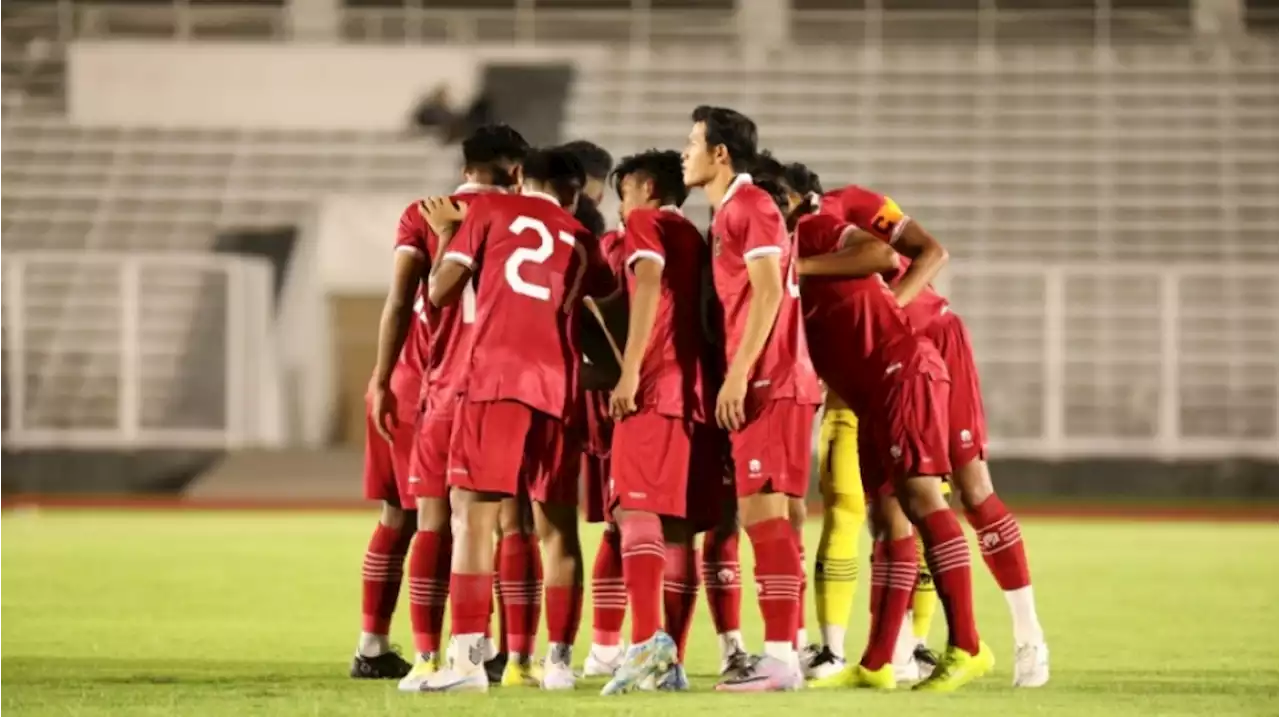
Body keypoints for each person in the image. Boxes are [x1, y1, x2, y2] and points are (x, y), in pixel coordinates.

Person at [790, 163, 1049, 688]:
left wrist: (892, 312)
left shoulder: (848, 206)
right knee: (885, 510)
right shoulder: (787, 245)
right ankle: (883, 658)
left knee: (971, 490)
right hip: (877, 368)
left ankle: (1028, 638)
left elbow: (931, 252)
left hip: (929, 343)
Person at [420, 146, 615, 693]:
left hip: (497, 378)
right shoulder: (581, 236)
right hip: (558, 386)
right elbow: (604, 292)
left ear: (521, 177)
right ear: (575, 191)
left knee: (472, 516)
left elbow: (440, 292)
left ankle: (465, 664)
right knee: (556, 527)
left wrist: (443, 236)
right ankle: (557, 664)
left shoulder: (489, 211)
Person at [379, 125, 537, 691]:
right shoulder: (524, 220)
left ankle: (429, 656)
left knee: (433, 520)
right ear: (517, 170)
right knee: (508, 521)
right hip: (508, 382)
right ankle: (510, 656)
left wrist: (381, 379)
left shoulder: (419, 214)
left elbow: (404, 301)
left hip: (432, 383)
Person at [681, 106, 823, 692]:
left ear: (720, 154)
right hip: (777, 379)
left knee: (765, 518)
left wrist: (737, 376)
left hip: (770, 380)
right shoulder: (732, 211)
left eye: (692, 142)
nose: (684, 153)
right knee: (778, 519)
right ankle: (786, 651)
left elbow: (767, 295)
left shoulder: (750, 206)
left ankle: (780, 661)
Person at [595, 149, 709, 694]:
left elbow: (645, 286)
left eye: (625, 193)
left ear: (644, 189)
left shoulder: (646, 224)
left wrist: (630, 370)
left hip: (655, 383)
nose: (622, 206)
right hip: (694, 392)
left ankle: (644, 645)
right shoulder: (695, 235)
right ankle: (672, 660)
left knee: (635, 512)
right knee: (678, 528)